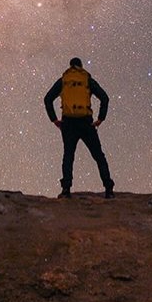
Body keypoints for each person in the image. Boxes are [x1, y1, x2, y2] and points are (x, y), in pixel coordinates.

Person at [44, 57, 114, 199]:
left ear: (70, 66)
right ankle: (108, 189)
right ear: (81, 66)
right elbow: (104, 97)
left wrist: (54, 120)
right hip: (86, 123)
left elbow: (47, 99)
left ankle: (66, 190)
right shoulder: (87, 79)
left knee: (68, 156)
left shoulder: (64, 80)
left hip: (68, 123)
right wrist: (100, 118)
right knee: (98, 155)